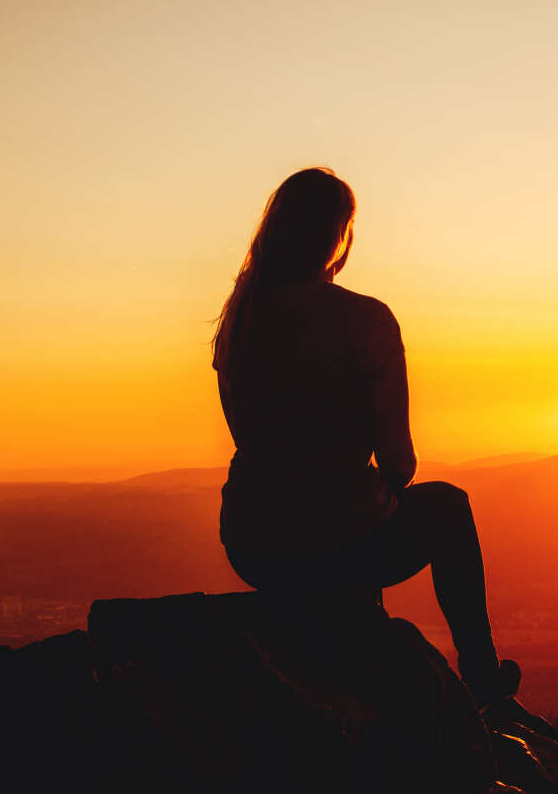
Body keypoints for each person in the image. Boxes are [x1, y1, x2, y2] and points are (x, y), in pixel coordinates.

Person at [212, 166, 522, 708]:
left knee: (352, 515)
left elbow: (247, 435)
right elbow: (399, 465)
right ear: (340, 233)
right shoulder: (366, 320)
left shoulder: (239, 321)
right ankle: (483, 681)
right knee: (444, 507)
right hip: (333, 544)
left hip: (253, 543)